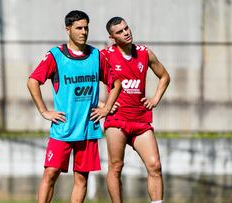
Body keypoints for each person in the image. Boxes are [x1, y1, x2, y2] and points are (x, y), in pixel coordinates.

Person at [27, 10, 121, 203]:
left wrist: (105, 108)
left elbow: (116, 83)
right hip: (63, 127)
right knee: (51, 173)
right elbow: (33, 81)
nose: (83, 32)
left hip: (88, 129)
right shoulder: (56, 55)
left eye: (86, 27)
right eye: (79, 28)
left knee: (81, 179)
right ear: (68, 29)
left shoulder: (96, 55)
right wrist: (44, 111)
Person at [101, 17, 170, 203]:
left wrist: (155, 98)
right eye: (120, 31)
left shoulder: (144, 53)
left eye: (126, 28)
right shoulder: (105, 55)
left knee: (155, 166)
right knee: (116, 167)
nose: (126, 32)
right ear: (112, 37)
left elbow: (164, 76)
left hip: (140, 120)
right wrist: (103, 106)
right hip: (117, 120)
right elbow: (88, 83)